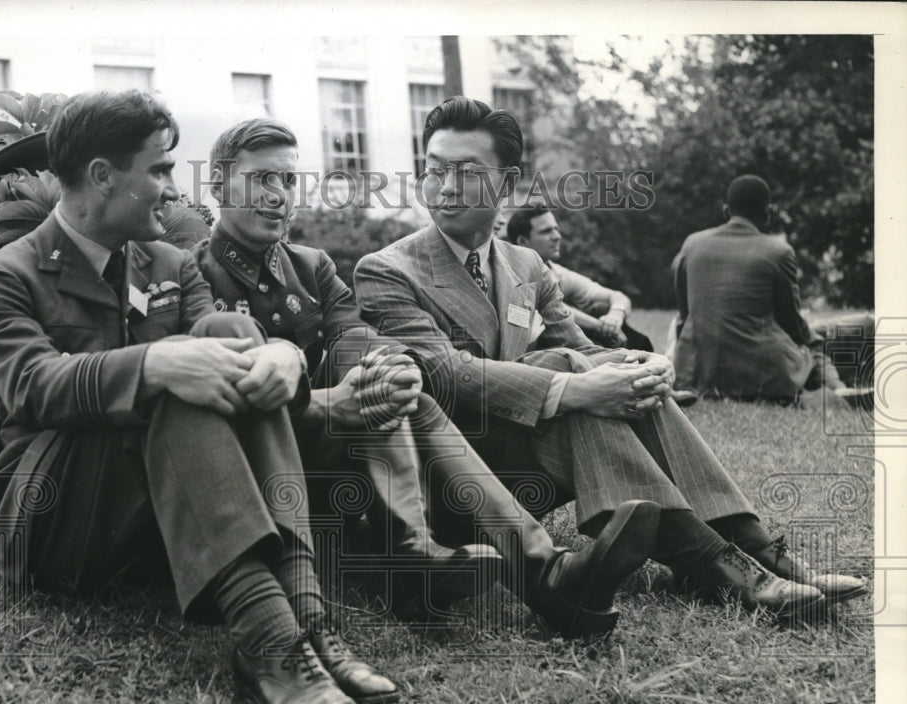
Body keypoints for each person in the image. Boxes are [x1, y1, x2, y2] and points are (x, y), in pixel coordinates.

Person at [0, 90, 392, 704]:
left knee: (223, 331)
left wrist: (281, 354)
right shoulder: (5, 272)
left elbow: (222, 346)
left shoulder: (168, 262)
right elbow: (28, 385)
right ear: (104, 176)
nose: (170, 188)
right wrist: (155, 365)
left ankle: (304, 611)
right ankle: (269, 635)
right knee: (175, 374)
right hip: (55, 515)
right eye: (159, 170)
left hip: (157, 518)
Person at [354, 96, 867, 615]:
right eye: (434, 170)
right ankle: (718, 568)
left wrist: (647, 367)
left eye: (465, 172)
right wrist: (576, 386)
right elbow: (446, 375)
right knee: (572, 389)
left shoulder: (526, 264)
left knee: (604, 378)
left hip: (520, 466)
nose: (444, 186)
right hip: (454, 489)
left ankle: (758, 551)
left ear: (506, 186)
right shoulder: (387, 270)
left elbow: (582, 348)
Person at [191, 116, 662, 643]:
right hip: (258, 465)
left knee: (385, 371)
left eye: (288, 181)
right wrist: (333, 401)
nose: (278, 196)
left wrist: (392, 367)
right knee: (387, 387)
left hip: (336, 457)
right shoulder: (193, 275)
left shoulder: (311, 266)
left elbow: (353, 334)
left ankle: (475, 564)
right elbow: (214, 409)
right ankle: (511, 570)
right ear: (214, 188)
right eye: (261, 180)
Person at [671, 175, 865, 405]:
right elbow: (792, 323)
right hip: (760, 375)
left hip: (699, 374)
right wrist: (813, 340)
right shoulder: (778, 251)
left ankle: (839, 388)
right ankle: (840, 390)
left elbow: (685, 316)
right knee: (813, 346)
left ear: (726, 211)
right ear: (767, 213)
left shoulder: (692, 244)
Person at [505, 205, 653, 352]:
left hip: (566, 344)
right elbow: (548, 308)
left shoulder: (556, 272)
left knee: (602, 307)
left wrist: (615, 316)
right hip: (531, 353)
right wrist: (598, 326)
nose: (557, 236)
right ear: (523, 241)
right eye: (546, 231)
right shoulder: (512, 273)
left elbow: (617, 296)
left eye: (556, 229)